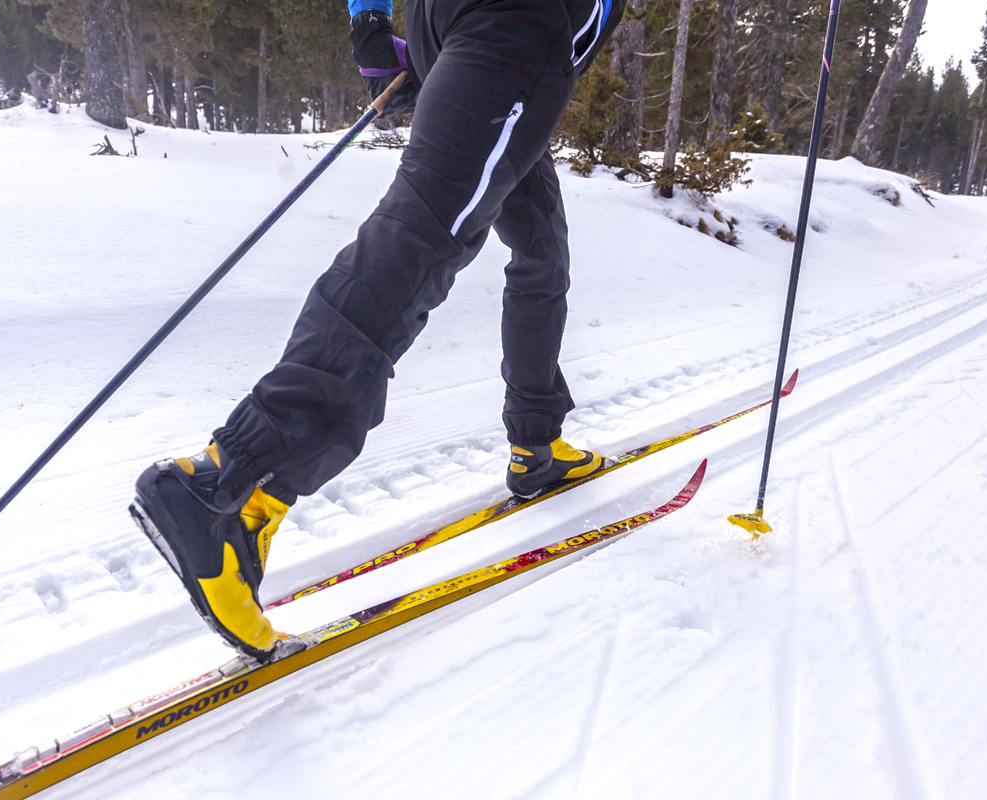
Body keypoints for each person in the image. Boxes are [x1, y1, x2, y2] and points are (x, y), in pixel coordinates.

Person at [129, 0, 625, 662]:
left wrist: (369, 25)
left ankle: (537, 444)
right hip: (519, 29)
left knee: (539, 250)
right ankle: (230, 484)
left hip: (468, 26)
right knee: (424, 235)